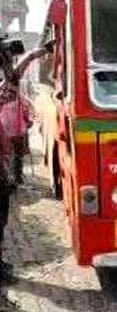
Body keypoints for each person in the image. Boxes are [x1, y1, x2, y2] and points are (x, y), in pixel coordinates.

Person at [0, 43, 52, 283]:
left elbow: (25, 62)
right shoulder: (7, 84)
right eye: (7, 57)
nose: (9, 60)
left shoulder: (9, 80)